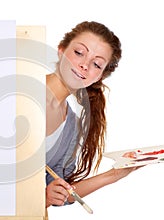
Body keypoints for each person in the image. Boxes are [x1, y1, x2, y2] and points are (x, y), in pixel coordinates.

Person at [45, 21, 139, 208]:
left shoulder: (71, 127)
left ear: (100, 76)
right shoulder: (18, 90)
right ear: (61, 51)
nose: (84, 65)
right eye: (79, 53)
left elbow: (60, 191)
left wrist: (115, 174)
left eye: (96, 64)